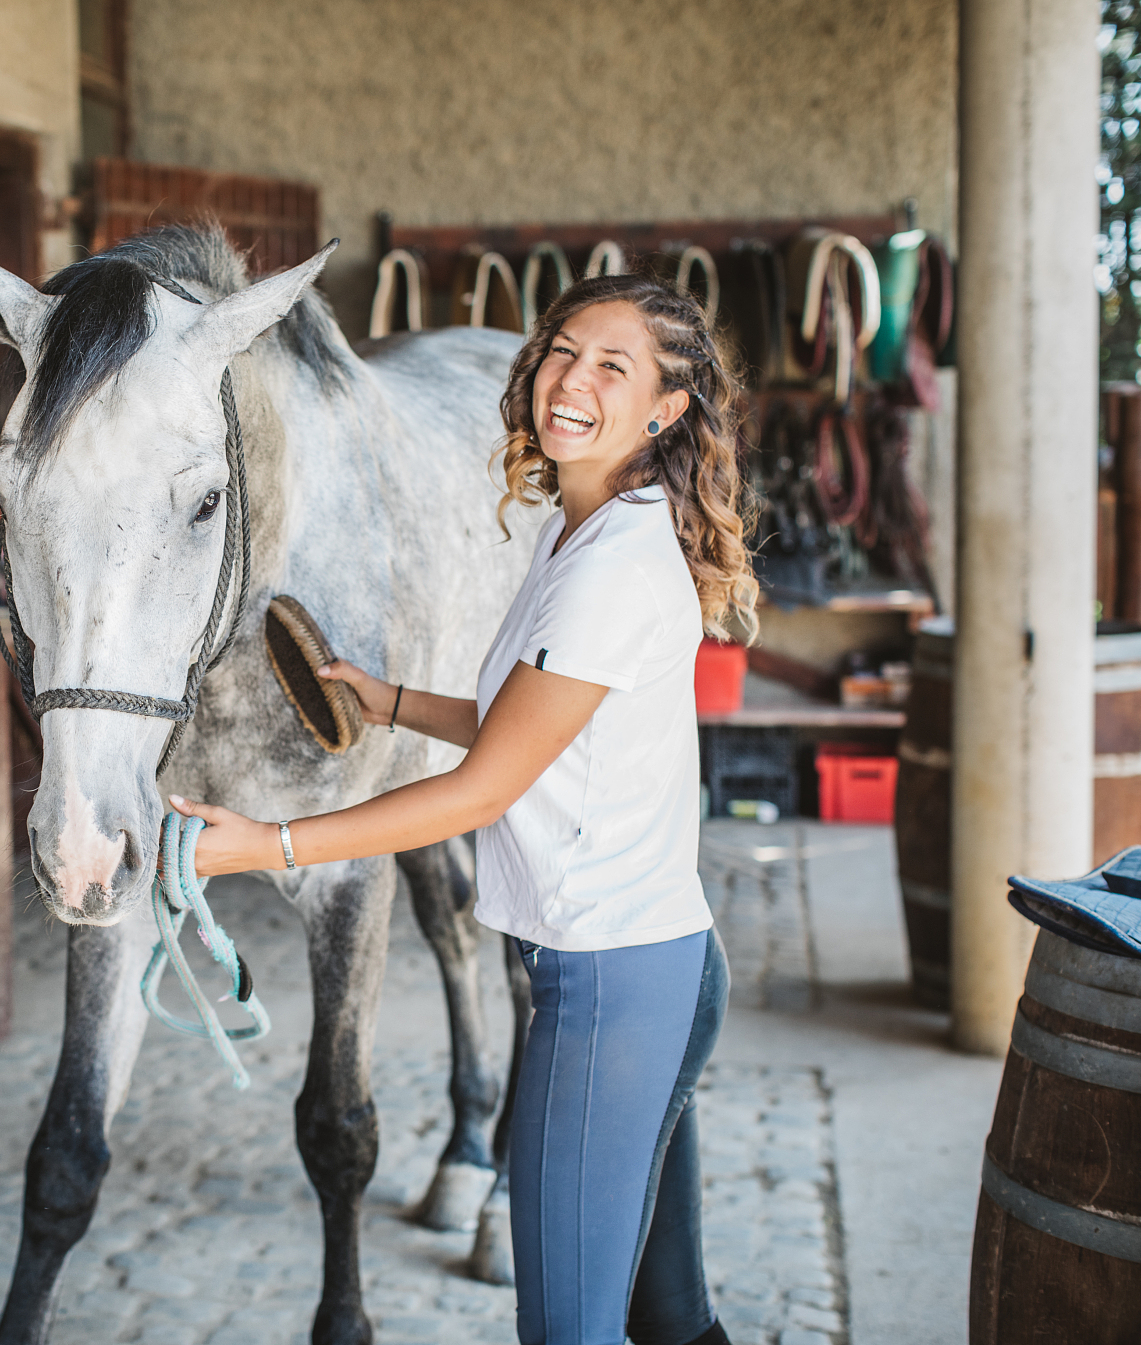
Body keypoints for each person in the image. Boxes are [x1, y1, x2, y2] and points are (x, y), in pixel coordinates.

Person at [172, 271, 757, 1345]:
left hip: (611, 989)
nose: (570, 380)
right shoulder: (580, 528)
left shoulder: (608, 569)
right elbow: (528, 721)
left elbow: (485, 788)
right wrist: (386, 698)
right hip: (654, 964)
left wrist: (267, 844)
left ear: (664, 410)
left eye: (612, 366)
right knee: (671, 1318)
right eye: (562, 350)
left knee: (566, 1329)